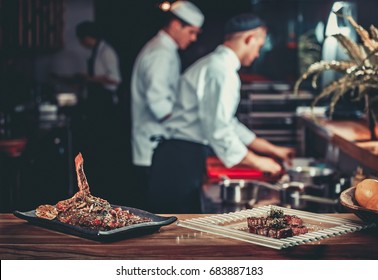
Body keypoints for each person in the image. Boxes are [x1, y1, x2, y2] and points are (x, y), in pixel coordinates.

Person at [148, 13, 295, 214]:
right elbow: (218, 130)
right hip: (180, 158)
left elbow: (227, 122)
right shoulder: (221, 71)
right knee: (174, 232)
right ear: (249, 39)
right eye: (259, 47)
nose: (258, 54)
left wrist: (272, 150)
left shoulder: (216, 64)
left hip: (180, 155)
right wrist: (258, 161)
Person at [130, 1, 204, 208]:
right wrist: (189, 125)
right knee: (155, 212)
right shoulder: (160, 53)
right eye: (191, 32)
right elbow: (159, 104)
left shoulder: (165, 50)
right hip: (153, 148)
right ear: (174, 25)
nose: (193, 38)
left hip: (156, 145)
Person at [75, 21, 122, 117]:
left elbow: (115, 79)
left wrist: (89, 78)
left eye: (81, 39)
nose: (80, 43)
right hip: (96, 98)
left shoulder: (106, 52)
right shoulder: (96, 51)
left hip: (105, 100)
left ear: (87, 37)